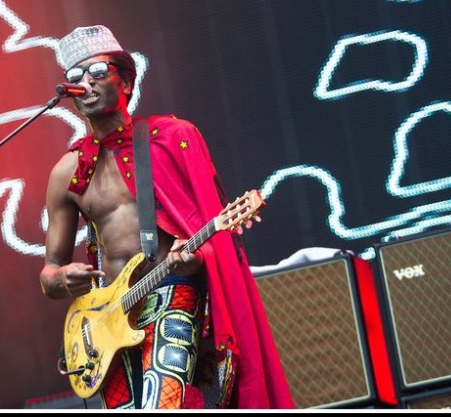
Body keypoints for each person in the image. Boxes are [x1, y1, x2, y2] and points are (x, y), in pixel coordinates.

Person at [39, 25, 294, 409]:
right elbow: (50, 273)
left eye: (97, 72)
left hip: (171, 289)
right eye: (75, 78)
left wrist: (195, 255)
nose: (85, 83)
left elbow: (206, 221)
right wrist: (61, 277)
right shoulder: (67, 172)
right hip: (108, 316)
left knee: (164, 405)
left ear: (125, 82)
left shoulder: (172, 137)